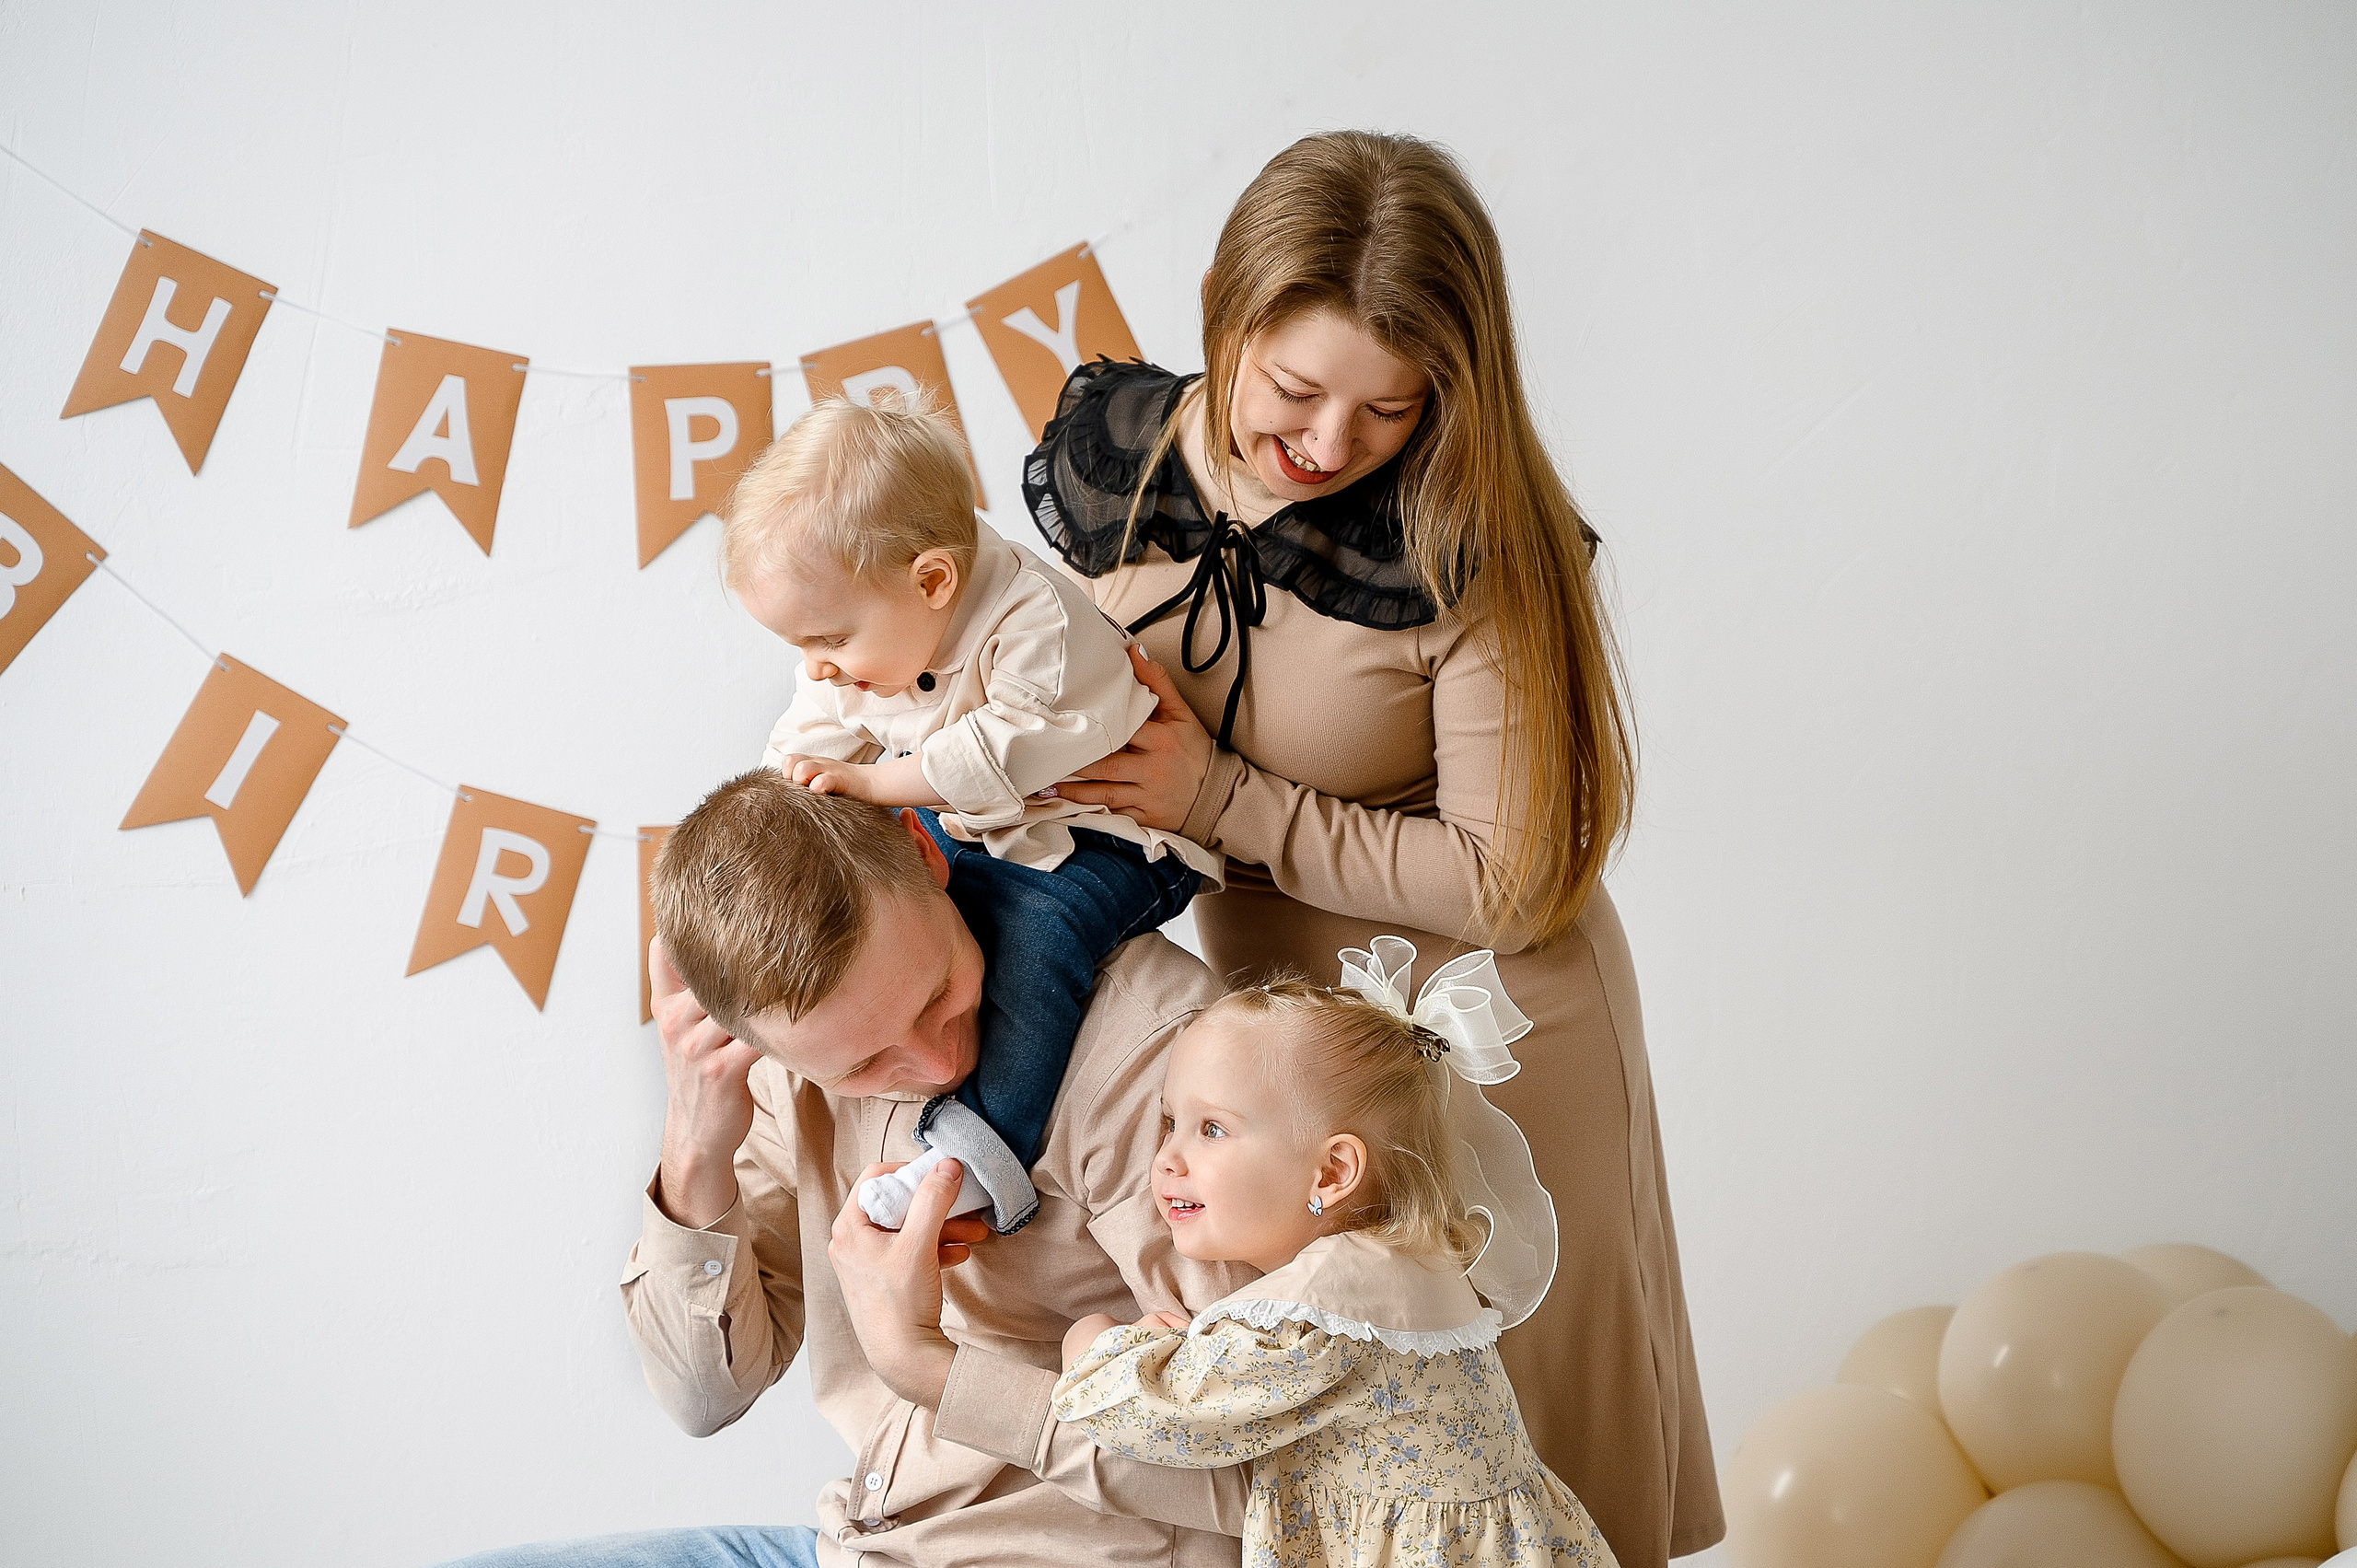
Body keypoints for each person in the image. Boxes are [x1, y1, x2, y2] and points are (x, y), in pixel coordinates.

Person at [1029, 130, 1723, 1562]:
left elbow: (1510, 880)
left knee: (1517, 1475)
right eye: (1292, 389)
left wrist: (1223, 799)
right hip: (1280, 1061)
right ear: (1224, 305)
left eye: (1388, 408)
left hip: (1490, 1040)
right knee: (1323, 1467)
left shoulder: (1471, 542)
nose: (1329, 444)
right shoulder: (1124, 463)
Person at [433, 771, 1254, 1568]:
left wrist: (919, 1360)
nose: (936, 1061)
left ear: (923, 855)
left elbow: (1267, 1468)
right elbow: (703, 1396)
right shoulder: (784, 1073)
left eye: (940, 993)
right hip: (854, 1542)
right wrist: (695, 1139)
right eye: (864, 1065)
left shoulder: (1153, 1059)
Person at [722, 393, 1219, 1237]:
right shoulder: (871, 637)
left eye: (830, 642)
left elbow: (1009, 747)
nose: (819, 667)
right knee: (927, 916)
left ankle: (979, 1155)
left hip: (1107, 834)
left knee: (1030, 941)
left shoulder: (1038, 623)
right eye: (800, 647)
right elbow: (807, 733)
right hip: (997, 831)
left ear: (933, 581)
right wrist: (779, 826)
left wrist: (876, 788)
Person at [1052, 943, 1620, 1568]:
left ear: (1332, 1171)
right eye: (1170, 1122)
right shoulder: (1407, 1261)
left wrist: (1089, 1341)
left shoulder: (1325, 1314)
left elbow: (1159, 1416)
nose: (1167, 1158)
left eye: (1211, 1128)